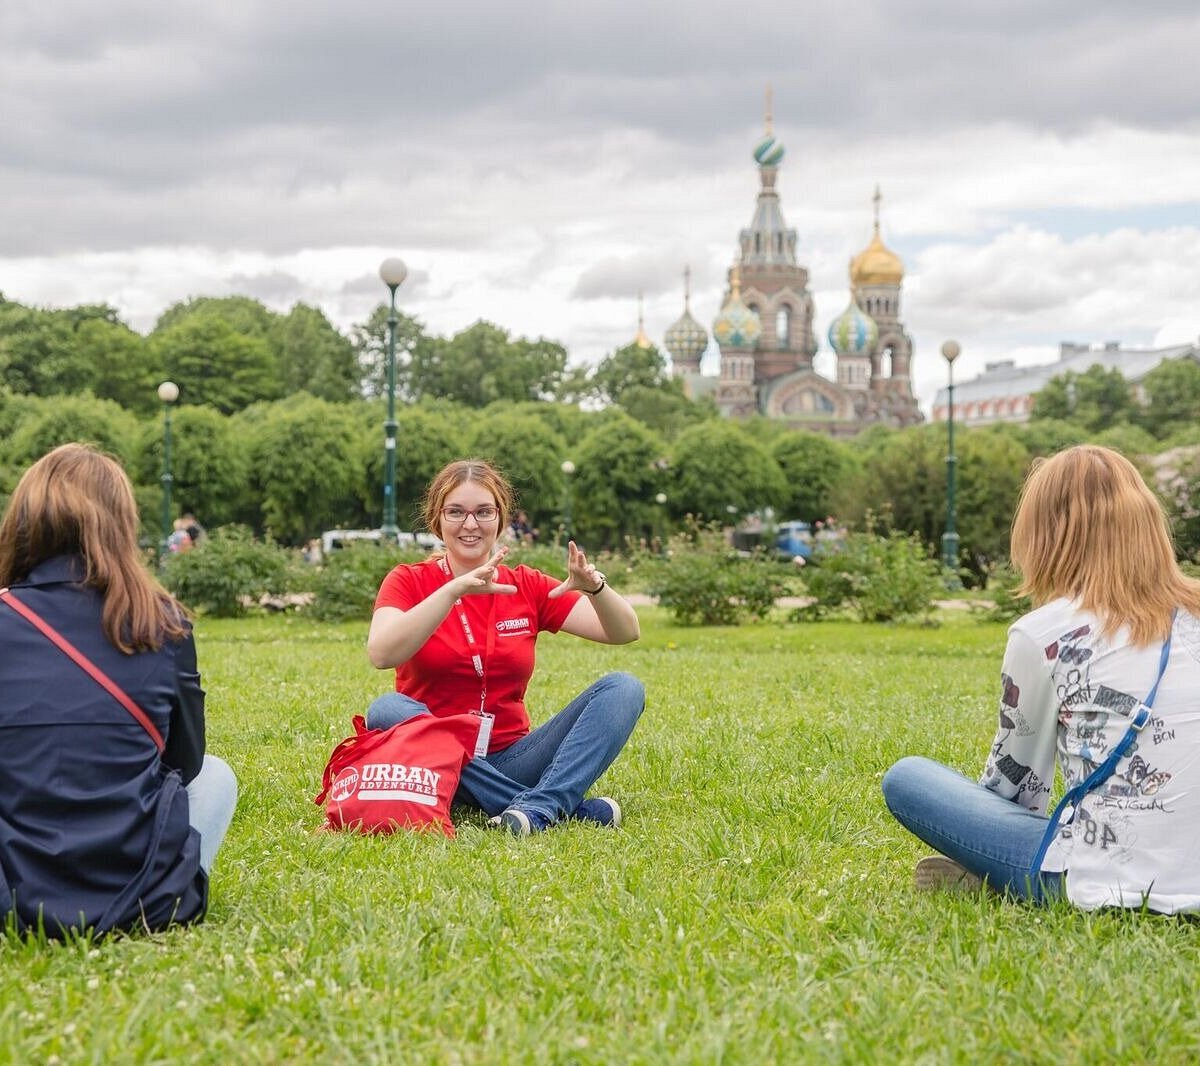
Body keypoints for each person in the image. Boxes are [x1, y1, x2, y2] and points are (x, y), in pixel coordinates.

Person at [882, 444, 1200, 912]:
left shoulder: (1046, 633)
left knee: (907, 779)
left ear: (1045, 535)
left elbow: (1018, 787)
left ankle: (987, 880)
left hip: (1104, 882)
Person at [0, 444, 238, 937]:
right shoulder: (163, 623)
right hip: (144, 897)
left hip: (12, 899)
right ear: (121, 524)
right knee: (216, 776)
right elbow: (187, 762)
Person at [366, 458, 645, 837]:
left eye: (483, 512)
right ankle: (559, 808)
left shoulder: (525, 585)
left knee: (624, 687)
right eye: (456, 512)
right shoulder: (409, 580)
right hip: (432, 760)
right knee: (386, 710)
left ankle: (540, 805)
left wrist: (595, 586)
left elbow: (625, 630)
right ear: (438, 519)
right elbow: (381, 654)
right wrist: (452, 591)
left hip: (511, 757)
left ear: (500, 518)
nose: (470, 524)